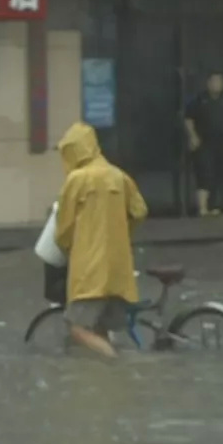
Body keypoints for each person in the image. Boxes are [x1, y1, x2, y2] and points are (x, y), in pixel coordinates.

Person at [54, 121, 148, 360]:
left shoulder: (77, 180)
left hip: (89, 270)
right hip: (118, 268)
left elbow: (63, 230)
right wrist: (121, 232)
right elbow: (139, 211)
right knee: (102, 328)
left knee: (77, 327)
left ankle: (116, 362)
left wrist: (68, 248)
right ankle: (109, 379)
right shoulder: (119, 176)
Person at [185, 72, 223, 217]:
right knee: (204, 173)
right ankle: (202, 207)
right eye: (214, 81)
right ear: (208, 83)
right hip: (203, 142)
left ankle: (214, 206)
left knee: (218, 174)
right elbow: (188, 119)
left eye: (219, 81)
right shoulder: (199, 100)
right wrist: (193, 136)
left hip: (221, 143)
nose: (217, 84)